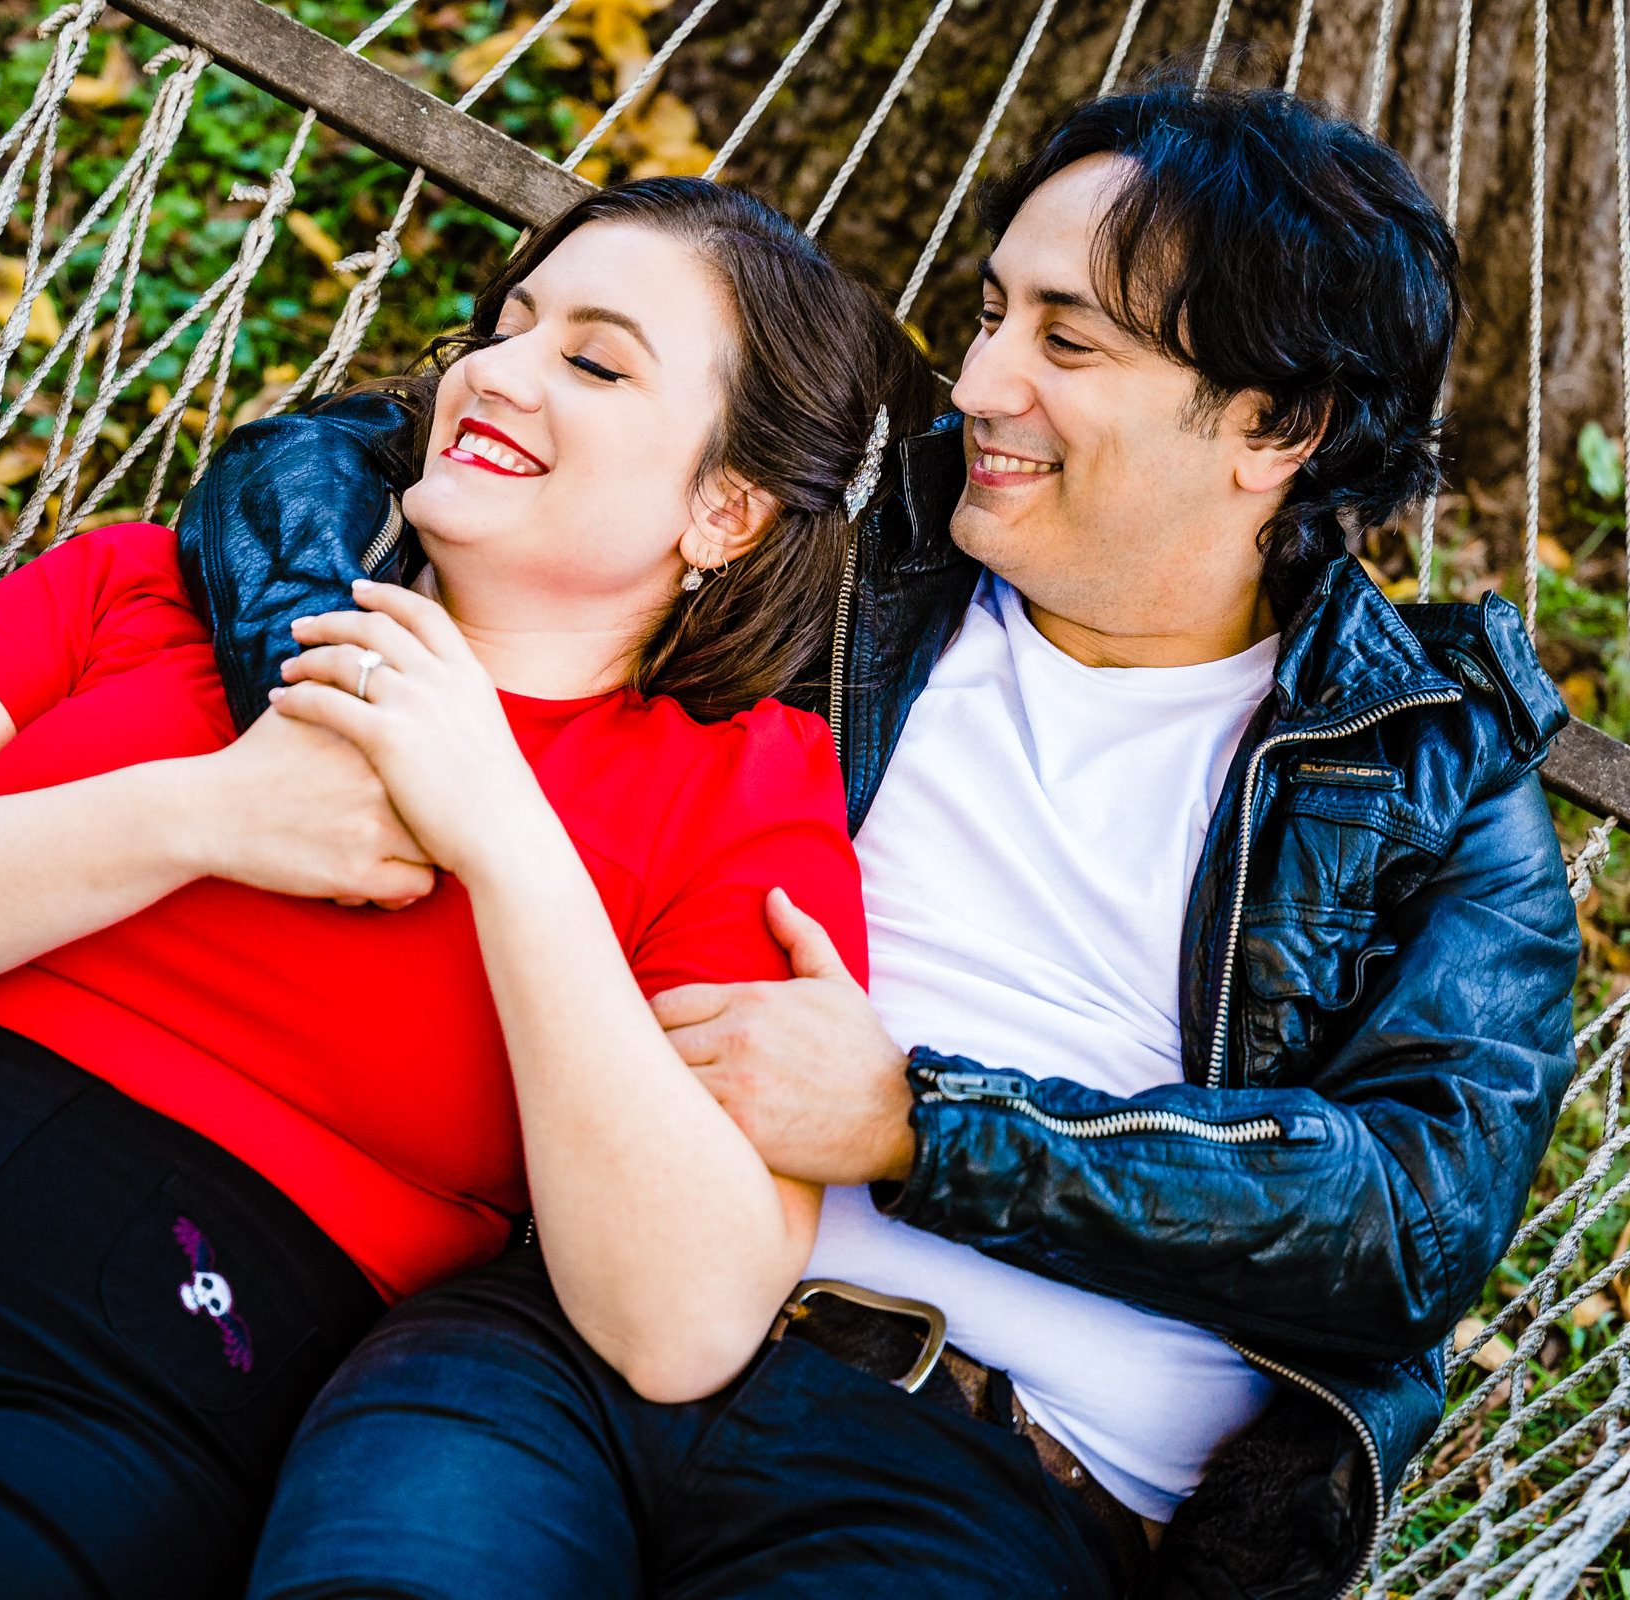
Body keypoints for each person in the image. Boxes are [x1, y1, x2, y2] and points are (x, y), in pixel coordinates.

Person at [195, 86, 1580, 1600]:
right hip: (580, 1322)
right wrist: (338, 705)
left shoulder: (1420, 766)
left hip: (991, 1475)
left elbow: (1409, 1218)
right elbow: (331, 459)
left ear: (1276, 425)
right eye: (993, 312)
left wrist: (920, 1124)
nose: (980, 381)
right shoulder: (856, 550)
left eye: (1067, 341)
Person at [0, 177, 936, 1600]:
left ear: (726, 511)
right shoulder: (139, 587)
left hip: (151, 1381)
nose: (491, 373)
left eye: (593, 359)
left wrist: (506, 839)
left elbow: (682, 1318)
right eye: (505, 327)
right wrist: (209, 812)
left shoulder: (735, 791)